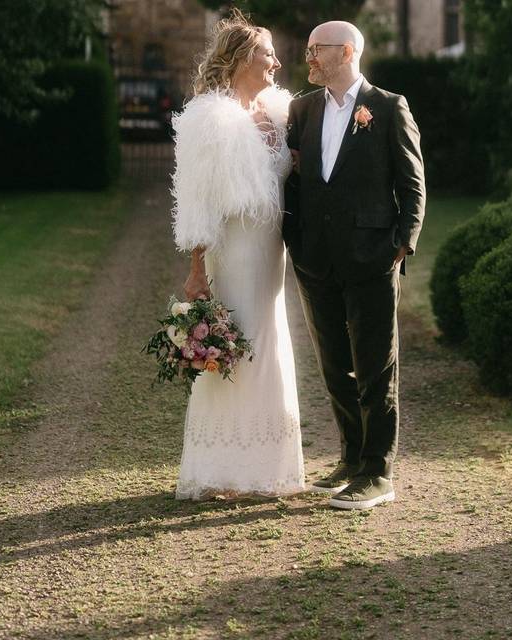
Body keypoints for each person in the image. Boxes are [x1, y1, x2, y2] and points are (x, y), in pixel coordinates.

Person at [284, 21, 426, 510]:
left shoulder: (387, 108)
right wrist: (294, 241)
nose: (309, 58)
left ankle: (378, 472)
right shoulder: (301, 110)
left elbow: (412, 186)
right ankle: (349, 458)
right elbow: (292, 180)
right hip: (315, 259)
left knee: (374, 366)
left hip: (371, 257)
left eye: (315, 50)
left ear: (346, 52)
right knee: (333, 365)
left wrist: (400, 246)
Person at [170, 11, 304, 500]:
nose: (276, 61)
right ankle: (223, 469)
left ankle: (266, 467)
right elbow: (198, 200)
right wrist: (196, 271)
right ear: (244, 57)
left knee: (270, 343)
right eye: (268, 52)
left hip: (273, 253)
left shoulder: (280, 112)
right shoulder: (209, 119)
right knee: (236, 348)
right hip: (237, 251)